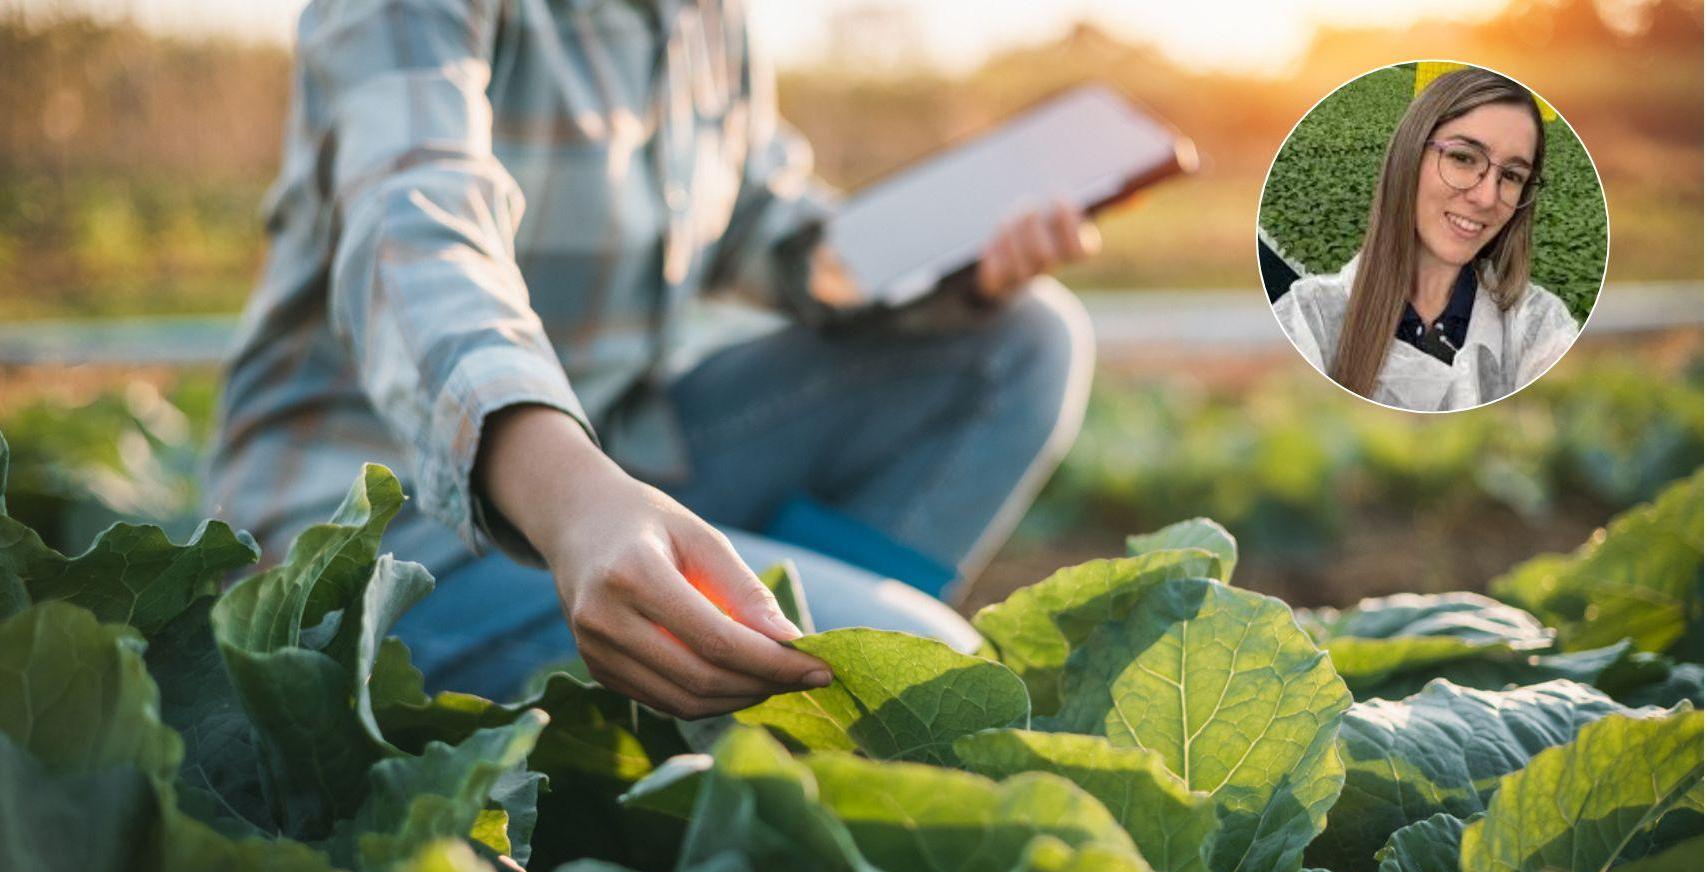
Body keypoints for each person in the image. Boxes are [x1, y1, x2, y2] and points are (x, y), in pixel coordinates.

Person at [203, 0, 1100, 717]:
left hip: (618, 472)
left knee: (1019, 342)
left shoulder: (704, 17)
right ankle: (754, 703)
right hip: (380, 539)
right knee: (926, 664)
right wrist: (576, 501)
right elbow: (413, 230)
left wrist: (953, 256)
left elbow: (765, 226)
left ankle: (739, 695)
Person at [1272, 67, 1580, 412]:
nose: (1487, 197)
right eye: (1463, 158)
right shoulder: (1308, 319)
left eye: (1511, 175)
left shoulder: (1540, 330)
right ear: (1411, 154)